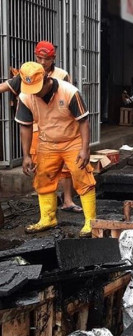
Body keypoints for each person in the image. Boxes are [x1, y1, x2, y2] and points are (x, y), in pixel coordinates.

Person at [15, 62, 96, 237]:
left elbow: (83, 122)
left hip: (72, 141)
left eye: (37, 88)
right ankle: (48, 218)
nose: (34, 93)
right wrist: (26, 155)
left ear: (47, 79)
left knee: (83, 178)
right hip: (47, 143)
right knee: (43, 179)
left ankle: (91, 221)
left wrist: (84, 149)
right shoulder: (25, 96)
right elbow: (25, 127)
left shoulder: (69, 92)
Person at [0, 41, 82, 213]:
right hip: (38, 127)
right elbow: (7, 86)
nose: (43, 62)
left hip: (62, 125)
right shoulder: (28, 75)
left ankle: (67, 200)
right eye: (39, 58)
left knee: (68, 166)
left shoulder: (62, 75)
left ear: (53, 58)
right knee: (42, 168)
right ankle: (47, 210)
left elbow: (72, 99)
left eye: (46, 59)